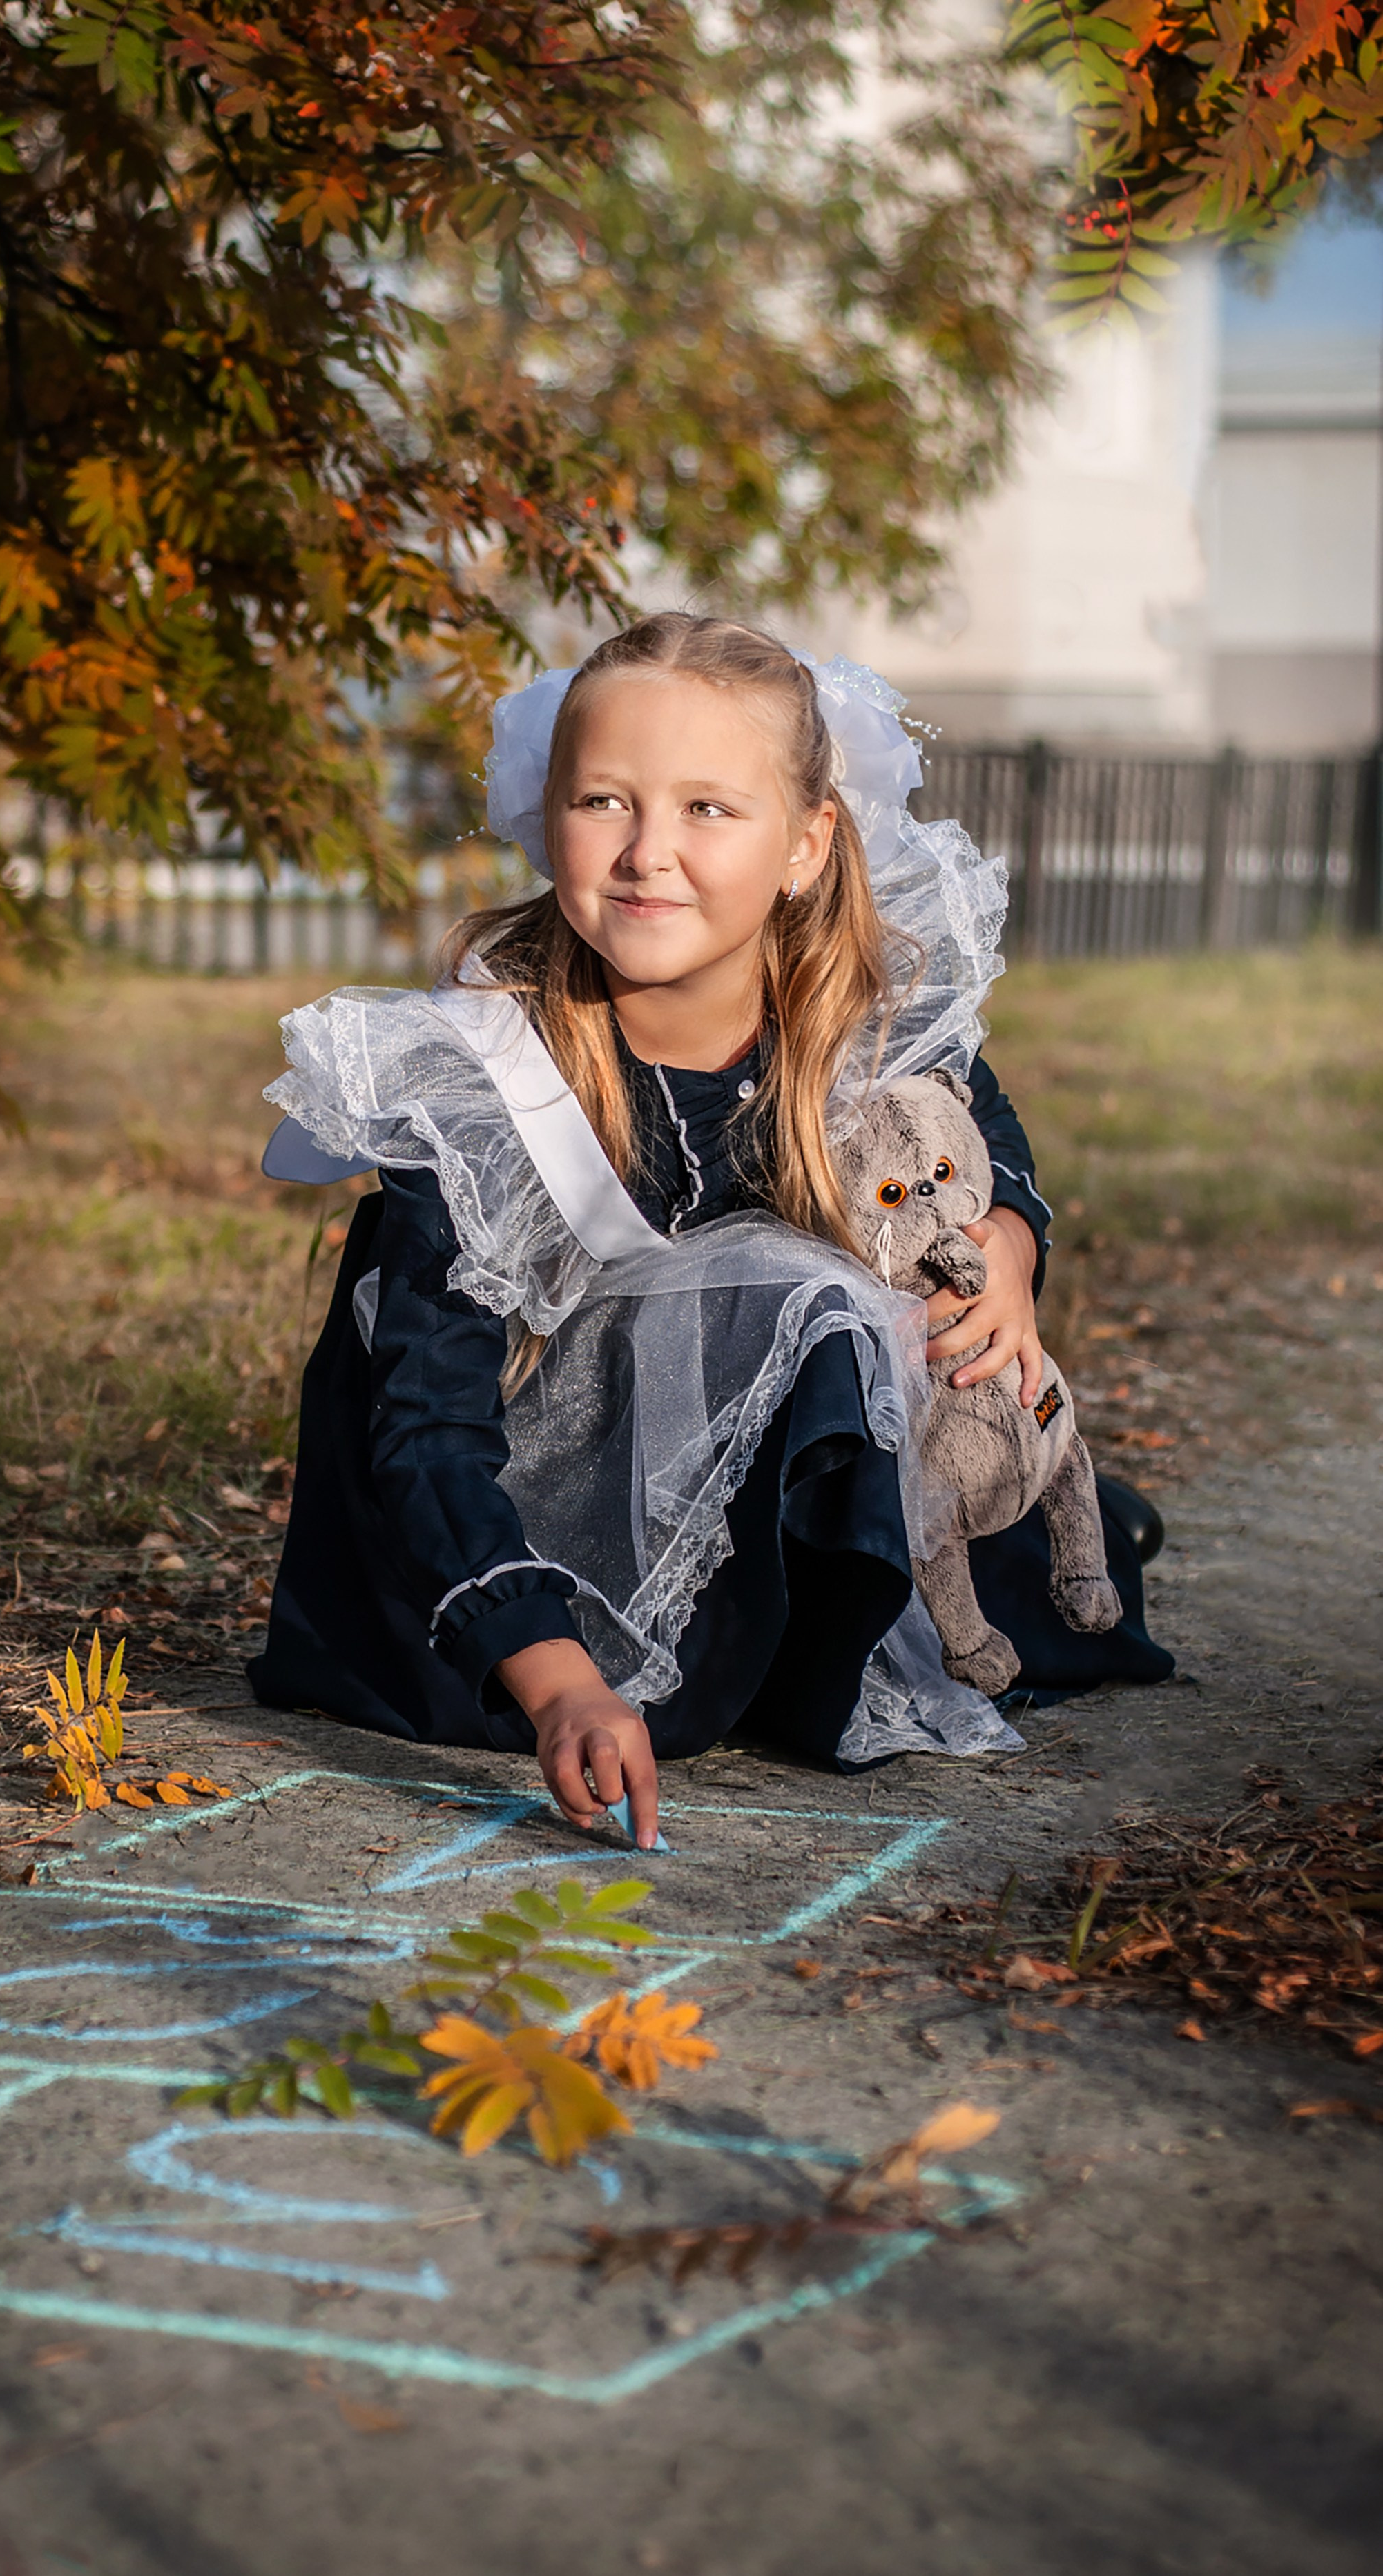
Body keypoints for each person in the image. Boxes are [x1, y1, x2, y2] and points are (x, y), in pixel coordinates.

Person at [250, 615, 1170, 1846]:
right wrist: (556, 1675)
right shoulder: (481, 1076)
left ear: (806, 844)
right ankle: (758, 1643)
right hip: (522, 1514)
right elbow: (422, 1423)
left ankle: (1043, 1541)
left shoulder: (857, 1019)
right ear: (546, 811)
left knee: (1014, 1523)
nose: (646, 854)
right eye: (605, 801)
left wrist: (1010, 1239)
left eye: (707, 810)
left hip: (747, 1476)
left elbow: (982, 1134)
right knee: (807, 1297)